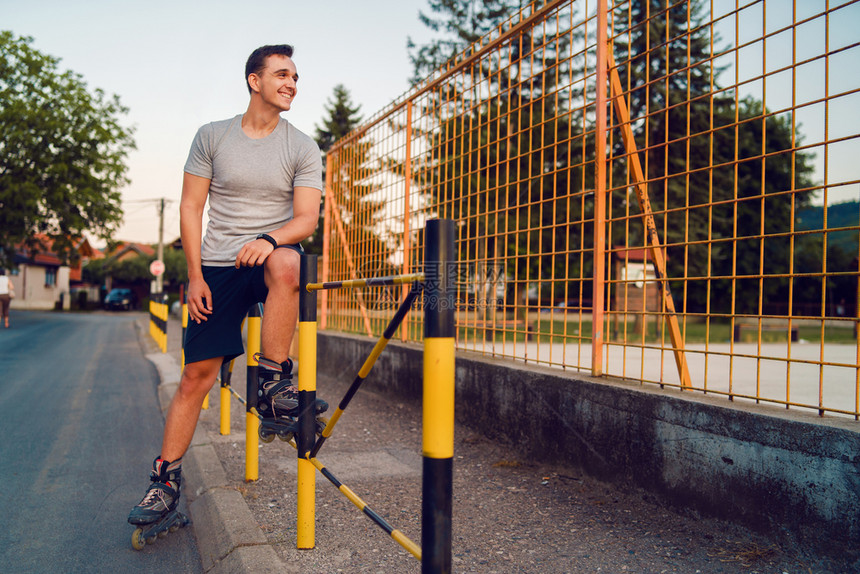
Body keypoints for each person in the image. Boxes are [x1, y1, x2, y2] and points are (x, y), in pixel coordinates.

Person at [128, 44, 326, 526]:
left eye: (296, 77)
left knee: (289, 265)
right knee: (195, 377)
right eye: (282, 74)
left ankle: (273, 381)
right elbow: (191, 208)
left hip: (269, 256)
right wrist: (194, 276)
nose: (292, 84)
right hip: (216, 266)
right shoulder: (212, 136)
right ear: (254, 80)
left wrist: (267, 237)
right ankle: (165, 482)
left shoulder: (302, 146)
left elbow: (306, 219)